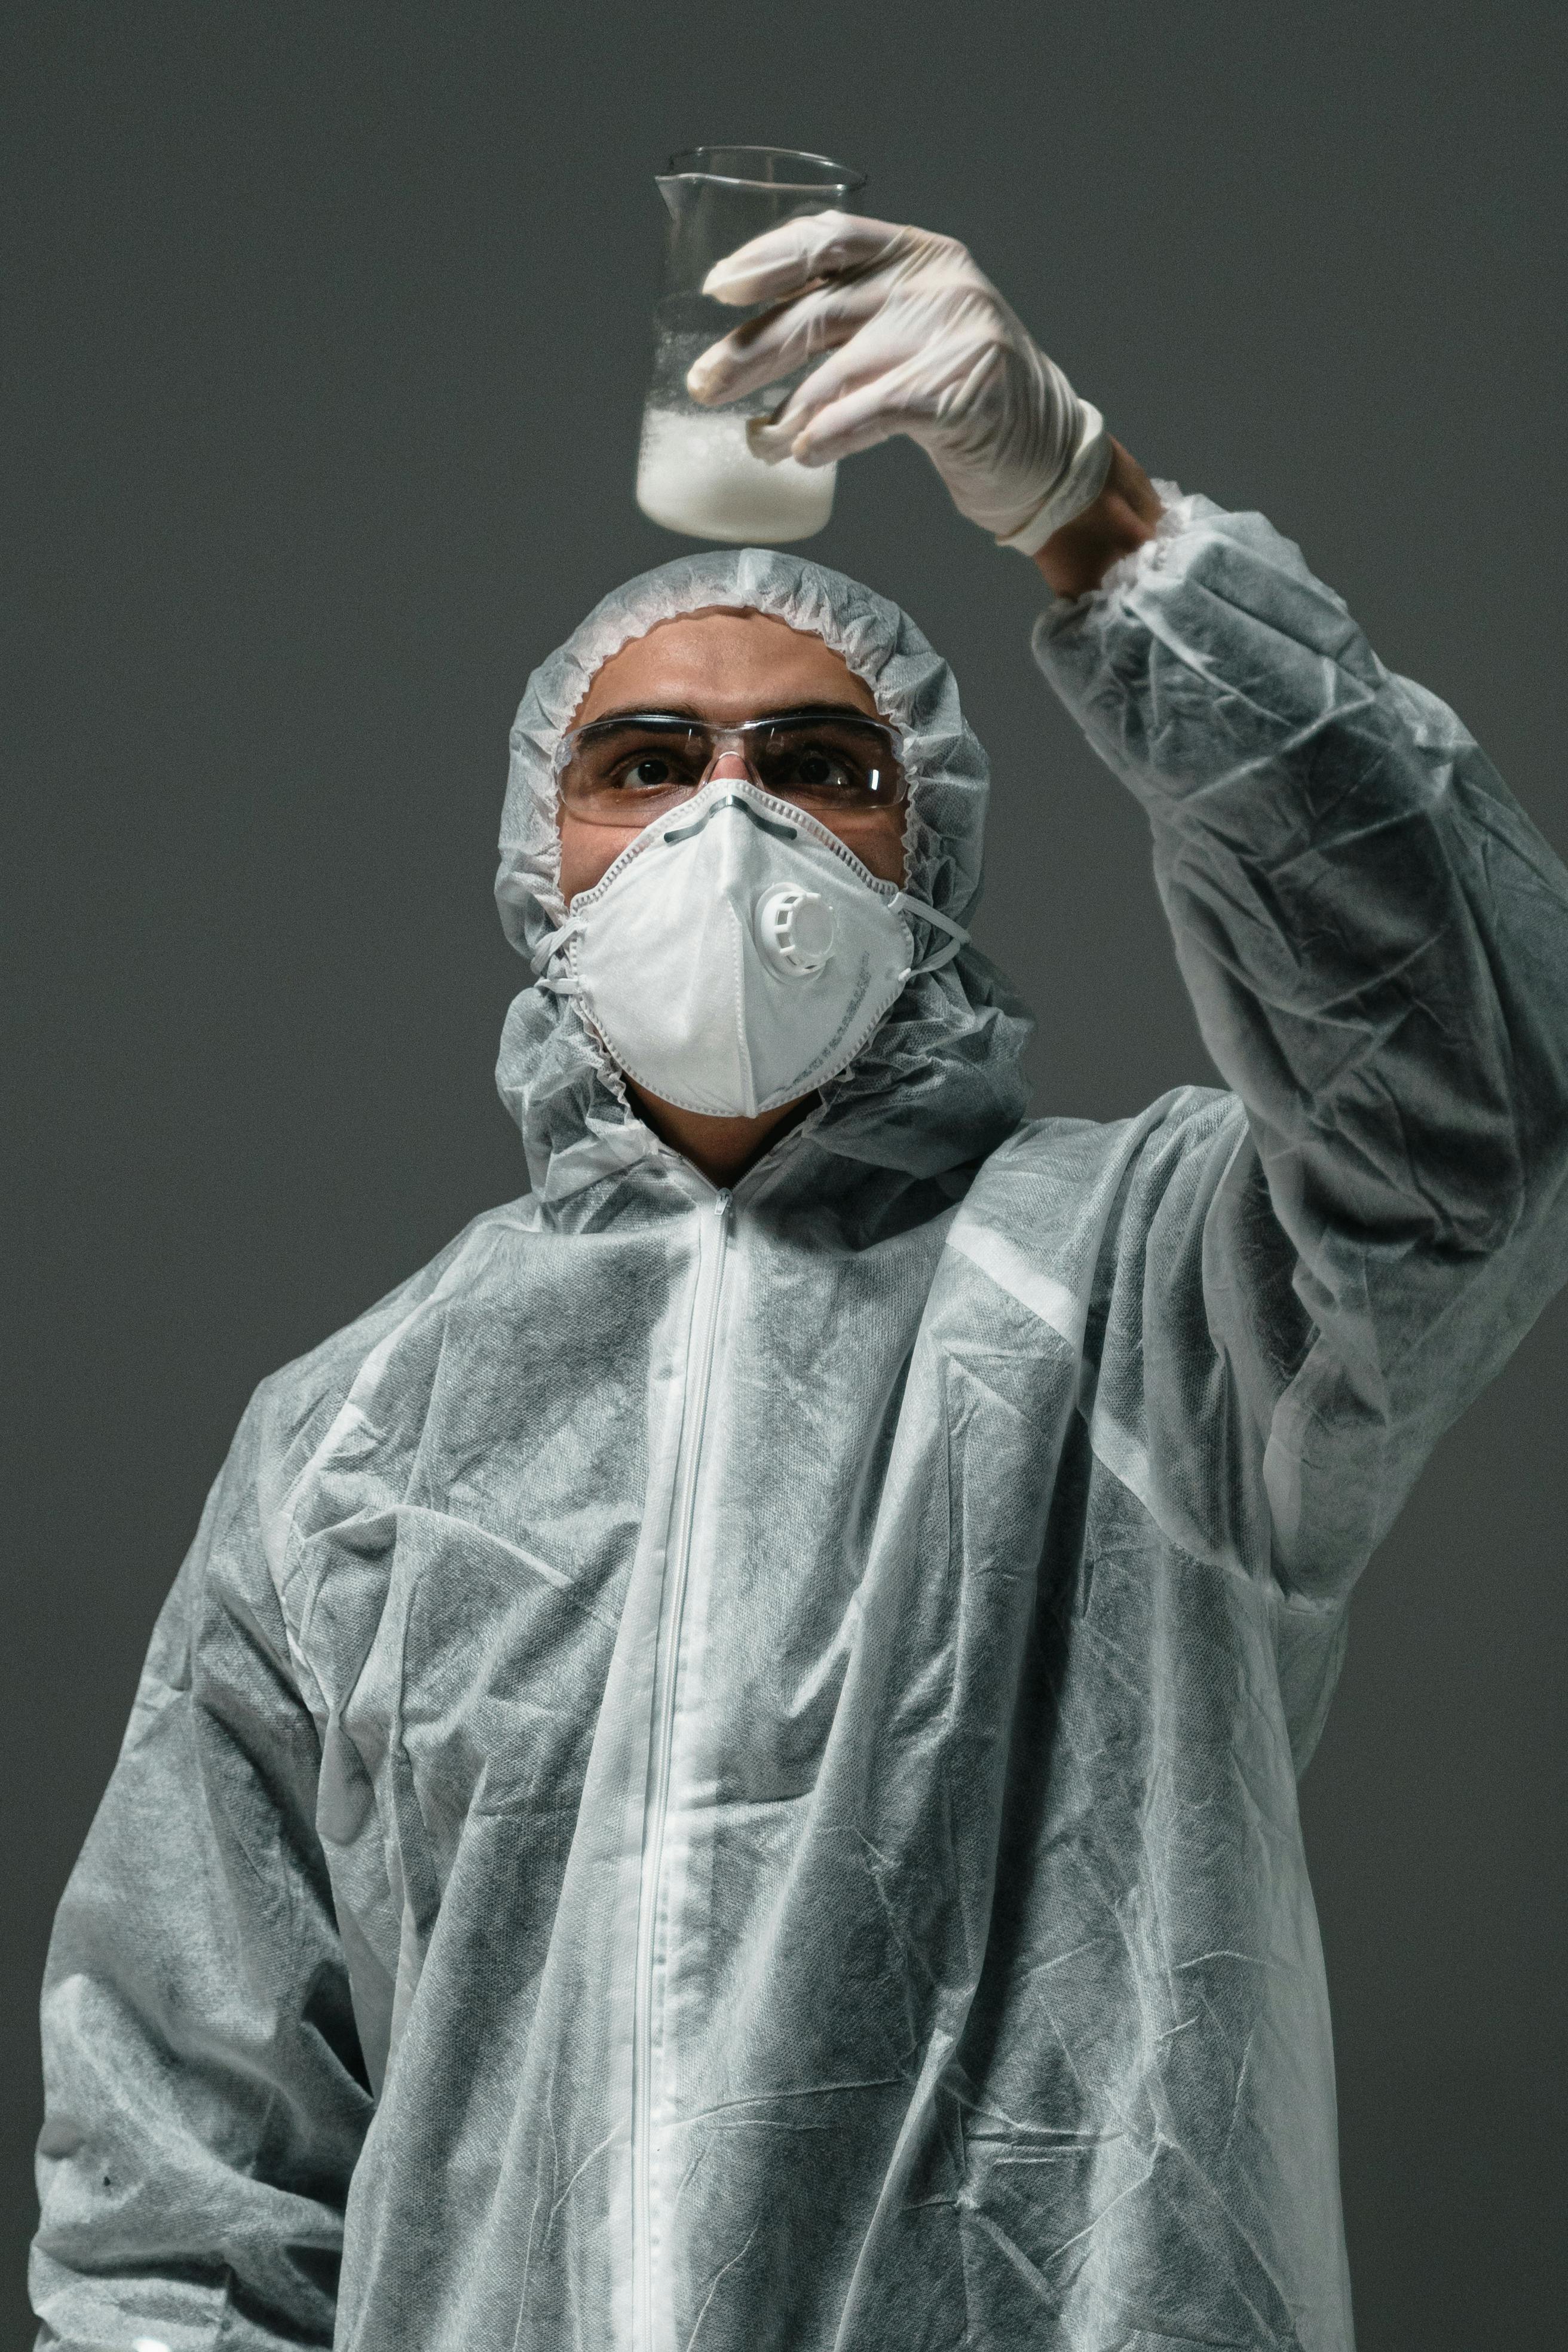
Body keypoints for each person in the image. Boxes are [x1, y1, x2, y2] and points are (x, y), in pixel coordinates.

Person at [30, 215, 1568, 2352]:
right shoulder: (352, 1444)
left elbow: (1472, 1098)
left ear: (921, 846)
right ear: (534, 858)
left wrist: (1092, 519)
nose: (729, 825)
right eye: (648, 766)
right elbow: (182, 2174)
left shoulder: (1157, 1292)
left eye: (819, 769)